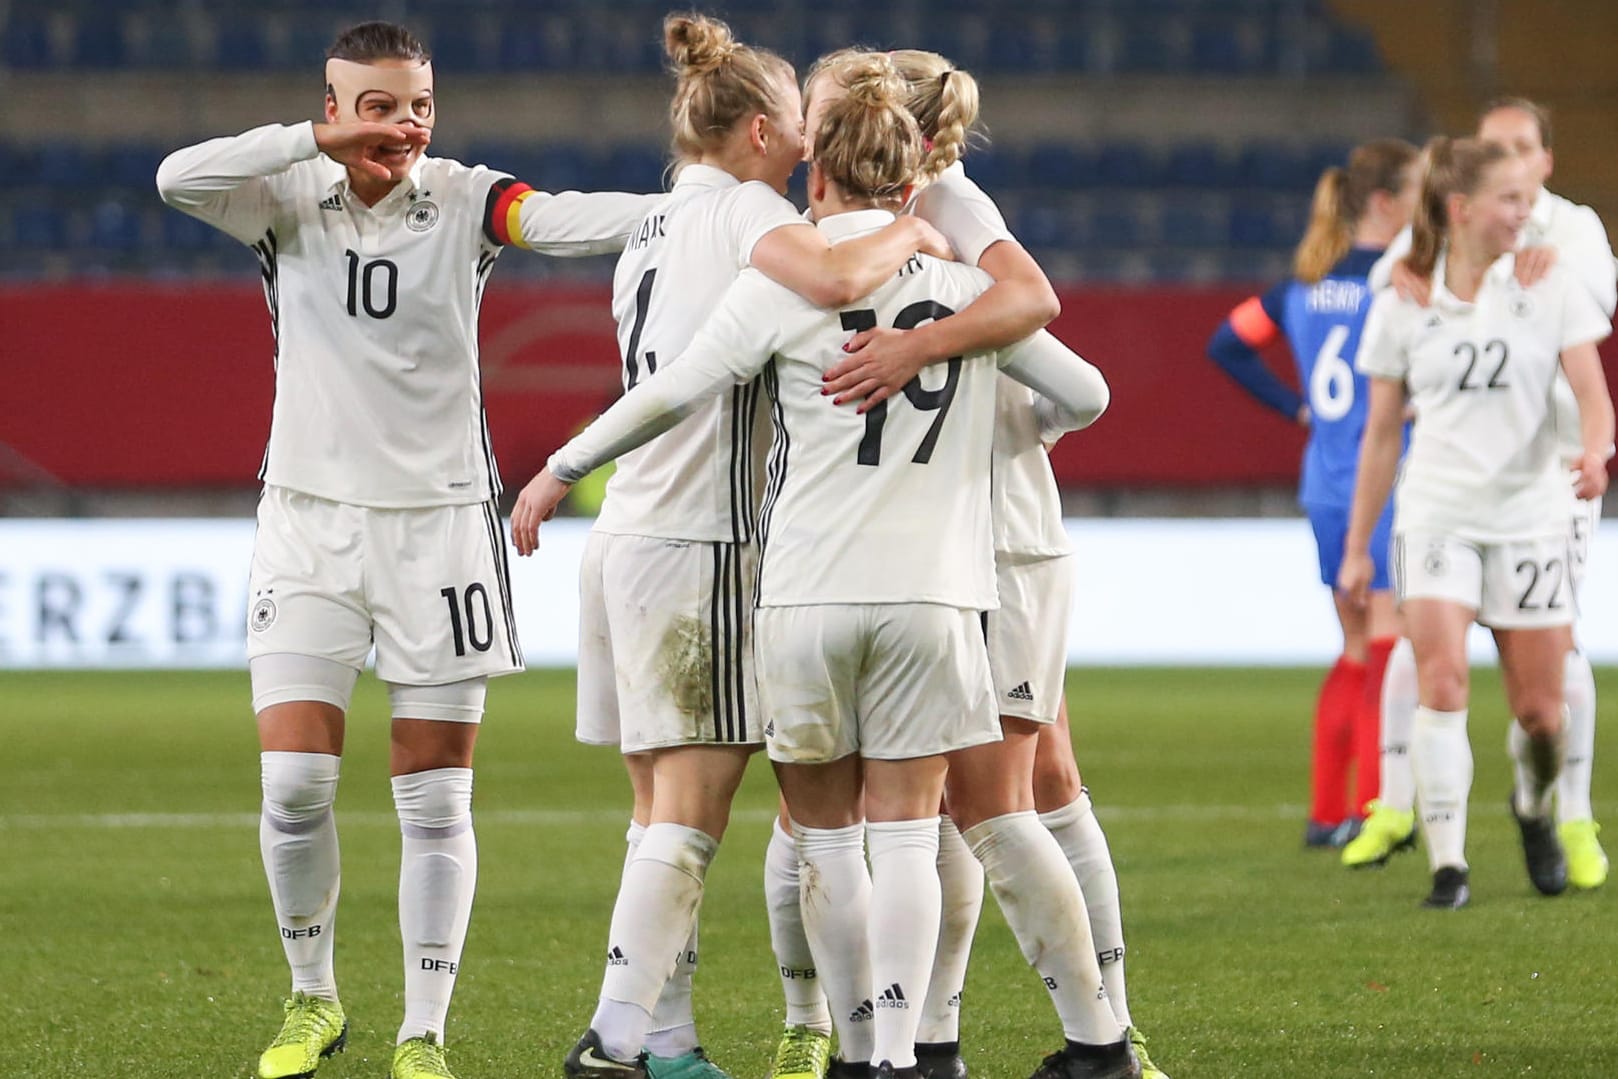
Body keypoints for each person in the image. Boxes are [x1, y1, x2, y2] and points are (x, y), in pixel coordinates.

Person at [513, 53, 1132, 1079]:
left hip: (803, 593)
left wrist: (558, 467)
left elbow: (673, 392)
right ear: (910, 178)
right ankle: (908, 1053)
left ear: (817, 175)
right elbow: (1084, 389)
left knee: (824, 838)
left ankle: (835, 1043)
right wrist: (995, 416)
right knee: (914, 835)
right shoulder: (967, 289)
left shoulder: (784, 275)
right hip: (938, 597)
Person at [155, 21, 662, 1079]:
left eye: (420, 104)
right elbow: (173, 176)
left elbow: (562, 220)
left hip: (440, 529)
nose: (405, 125)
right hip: (306, 521)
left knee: (434, 798)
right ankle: (313, 1001)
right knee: (293, 782)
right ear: (333, 107)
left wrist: (695, 212)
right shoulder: (283, 195)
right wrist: (309, 142)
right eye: (379, 105)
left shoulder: (469, 199)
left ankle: (422, 1029)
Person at [550, 15, 952, 1079]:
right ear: (767, 130)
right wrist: (915, 231)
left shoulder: (647, 224)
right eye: (800, 120)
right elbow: (828, 283)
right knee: (690, 816)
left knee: (655, 816)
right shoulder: (749, 212)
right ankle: (617, 1034)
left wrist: (558, 471)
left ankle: (667, 1037)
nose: (811, 140)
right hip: (706, 541)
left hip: (627, 529)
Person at [794, 47, 1171, 1079]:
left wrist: (989, 407)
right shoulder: (884, 228)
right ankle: (937, 1037)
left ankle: (1100, 1036)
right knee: (980, 800)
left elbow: (1064, 364)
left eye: (821, 108)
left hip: (992, 541)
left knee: (1003, 799)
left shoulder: (948, 208)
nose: (807, 126)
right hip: (955, 543)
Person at [1338, 137, 1614, 909]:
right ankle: (1448, 864)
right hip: (1437, 513)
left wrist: (1598, 450)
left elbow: (1593, 393)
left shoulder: (1550, 281)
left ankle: (1533, 805)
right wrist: (1359, 546)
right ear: (1463, 210)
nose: (1529, 216)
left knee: (1539, 711)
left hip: (1530, 515)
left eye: (1530, 199)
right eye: (1513, 201)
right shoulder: (1402, 299)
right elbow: (1382, 434)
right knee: (1443, 680)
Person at [1204, 140, 1421, 850]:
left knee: (1356, 642)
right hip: (1383, 481)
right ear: (1386, 201)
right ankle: (1374, 807)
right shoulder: (1401, 283)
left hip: (1326, 482)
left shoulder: (1301, 286)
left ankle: (1328, 810)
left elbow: (1227, 343)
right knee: (1388, 642)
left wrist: (1296, 406)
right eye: (1418, 189)